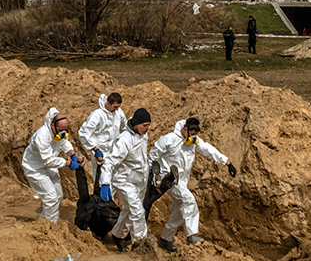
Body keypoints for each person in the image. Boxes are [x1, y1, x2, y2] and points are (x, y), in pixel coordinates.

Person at [149, 118, 236, 251]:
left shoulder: (194, 141)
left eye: (196, 134)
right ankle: (192, 235)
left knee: (179, 209)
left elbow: (208, 149)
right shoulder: (169, 139)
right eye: (192, 133)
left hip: (182, 181)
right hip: (169, 179)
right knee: (189, 200)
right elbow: (153, 154)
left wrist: (227, 162)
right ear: (185, 129)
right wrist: (150, 171)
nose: (194, 136)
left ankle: (165, 239)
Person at [100, 108, 152, 250]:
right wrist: (105, 183)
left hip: (139, 181)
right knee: (137, 211)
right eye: (144, 125)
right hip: (124, 180)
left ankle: (117, 235)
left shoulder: (142, 135)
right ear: (136, 124)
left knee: (129, 211)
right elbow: (109, 162)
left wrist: (149, 167)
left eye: (148, 125)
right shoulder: (124, 140)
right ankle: (140, 244)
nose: (147, 128)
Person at [22, 107, 84, 223]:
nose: (63, 132)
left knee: (58, 196)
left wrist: (72, 155)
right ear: (52, 125)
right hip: (35, 168)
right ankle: (49, 228)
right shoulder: (42, 136)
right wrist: (68, 163)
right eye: (61, 129)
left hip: (50, 166)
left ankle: (43, 222)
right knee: (51, 198)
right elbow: (48, 160)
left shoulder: (58, 132)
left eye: (65, 129)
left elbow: (64, 142)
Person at [78, 92, 127, 182]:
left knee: (115, 180)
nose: (117, 109)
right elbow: (84, 133)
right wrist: (95, 149)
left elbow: (125, 126)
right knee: (101, 181)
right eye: (115, 107)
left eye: (118, 107)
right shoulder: (97, 115)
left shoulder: (118, 112)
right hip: (101, 154)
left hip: (114, 152)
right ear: (108, 103)